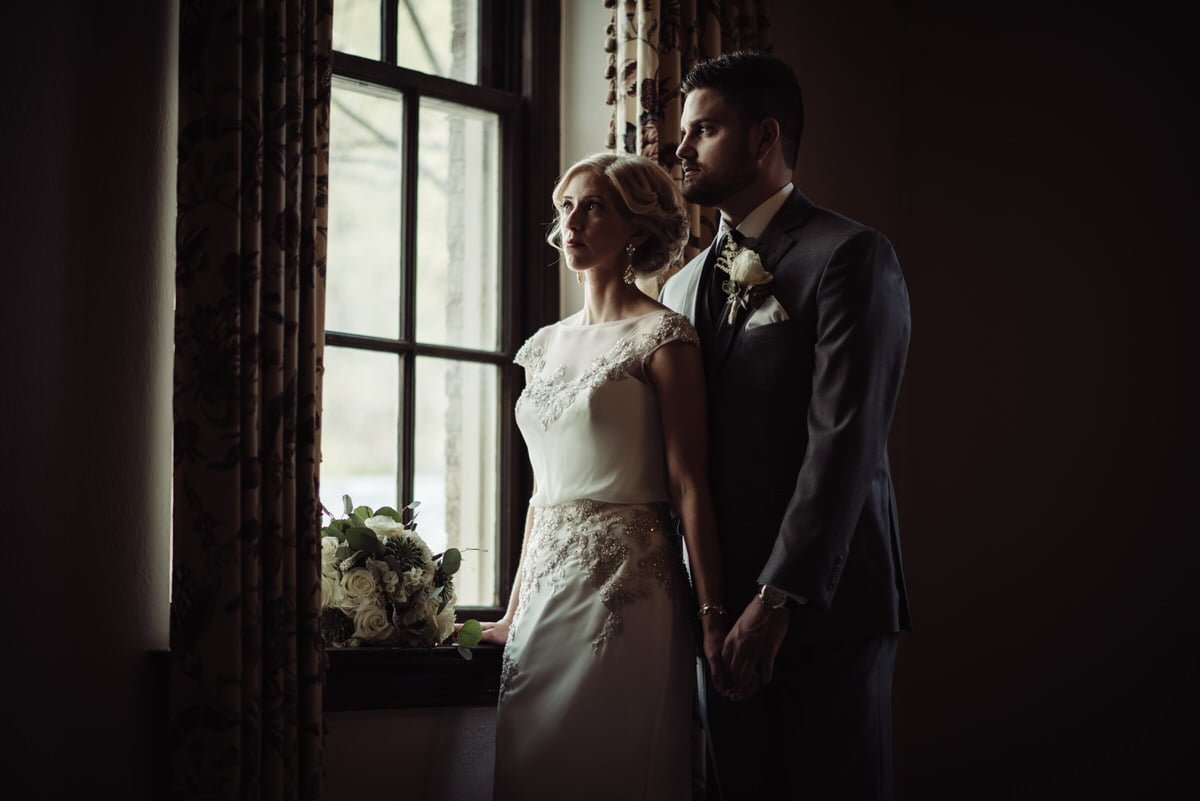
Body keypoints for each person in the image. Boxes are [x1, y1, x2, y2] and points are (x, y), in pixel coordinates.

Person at [660, 52, 912, 800]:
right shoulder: (679, 285)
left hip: (824, 610)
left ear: (764, 137)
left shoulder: (851, 256)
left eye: (703, 130)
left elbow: (846, 439)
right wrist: (710, 606)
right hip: (715, 614)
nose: (680, 150)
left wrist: (776, 600)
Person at [480, 152, 730, 801]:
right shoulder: (542, 346)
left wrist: (712, 615)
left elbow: (689, 483)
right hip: (544, 598)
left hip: (628, 591)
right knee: (536, 768)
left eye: (592, 206)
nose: (572, 222)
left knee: (613, 765)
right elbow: (543, 491)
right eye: (567, 206)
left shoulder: (663, 336)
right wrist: (511, 611)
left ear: (637, 228)